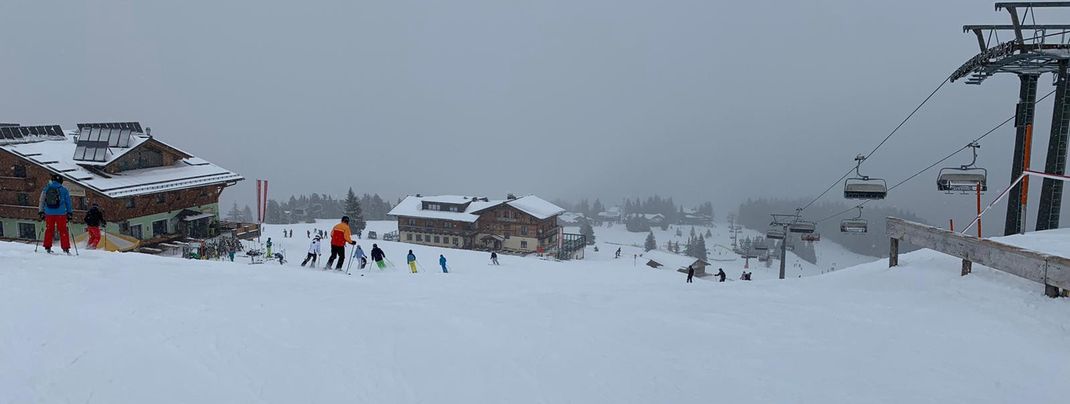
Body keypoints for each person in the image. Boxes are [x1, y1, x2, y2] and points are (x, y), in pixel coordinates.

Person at [38, 174, 73, 254]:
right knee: (63, 230)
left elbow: (42, 201)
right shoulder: (64, 190)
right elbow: (68, 203)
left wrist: (41, 211)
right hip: (61, 213)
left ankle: (47, 246)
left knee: (49, 230)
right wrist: (69, 212)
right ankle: (65, 248)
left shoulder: (46, 189)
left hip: (49, 213)